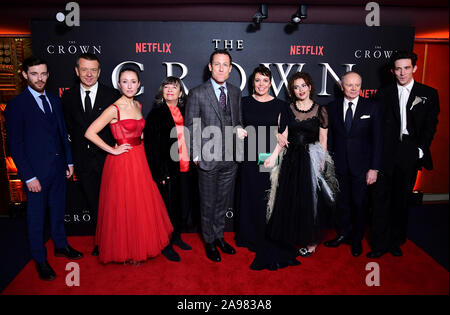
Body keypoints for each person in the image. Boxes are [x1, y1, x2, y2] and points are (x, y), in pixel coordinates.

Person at [5, 56, 83, 281]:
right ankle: (39, 259)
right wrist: (28, 176)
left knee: (58, 212)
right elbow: (15, 145)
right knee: (36, 218)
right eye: (34, 74)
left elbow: (62, 133)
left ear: (48, 75)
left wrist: (69, 161)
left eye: (43, 74)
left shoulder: (53, 100)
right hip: (36, 174)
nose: (39, 78)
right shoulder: (16, 106)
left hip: (59, 168)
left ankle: (60, 245)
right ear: (24, 75)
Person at [84, 67, 173, 264]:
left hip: (140, 158)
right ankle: (126, 249)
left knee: (140, 205)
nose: (129, 85)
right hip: (122, 162)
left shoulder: (138, 105)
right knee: (124, 206)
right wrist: (112, 149)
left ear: (139, 84)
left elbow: (140, 133)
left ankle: (138, 245)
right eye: (125, 81)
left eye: (133, 81)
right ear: (119, 84)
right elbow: (90, 132)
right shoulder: (113, 108)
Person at [367, 51, 440, 258]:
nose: (402, 73)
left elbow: (430, 126)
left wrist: (419, 151)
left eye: (406, 68)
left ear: (414, 68)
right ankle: (379, 244)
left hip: (409, 151)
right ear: (392, 71)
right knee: (380, 199)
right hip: (386, 152)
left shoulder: (429, 94)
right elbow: (377, 126)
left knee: (401, 200)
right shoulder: (384, 93)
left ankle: (395, 241)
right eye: (398, 69)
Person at [264, 72, 335, 259]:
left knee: (310, 202)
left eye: (304, 85)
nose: (301, 90)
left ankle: (311, 242)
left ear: (310, 87)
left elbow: (323, 139)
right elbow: (283, 137)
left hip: (311, 159)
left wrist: (321, 162)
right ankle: (291, 235)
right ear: (292, 91)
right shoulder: (288, 109)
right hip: (292, 159)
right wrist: (272, 157)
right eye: (296, 87)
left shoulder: (321, 110)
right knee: (290, 199)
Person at [235, 65, 300, 270]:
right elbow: (235, 123)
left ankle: (266, 235)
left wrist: (273, 157)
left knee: (267, 197)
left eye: (265, 80)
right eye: (257, 80)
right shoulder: (243, 102)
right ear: (252, 83)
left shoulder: (281, 105)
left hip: (268, 157)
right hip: (248, 155)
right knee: (250, 195)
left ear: (271, 82)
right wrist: (237, 130)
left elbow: (285, 133)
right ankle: (250, 236)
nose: (261, 84)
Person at [184, 49, 247, 263]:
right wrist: (195, 155)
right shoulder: (197, 93)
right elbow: (191, 127)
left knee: (222, 202)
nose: (221, 68)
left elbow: (237, 121)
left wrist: (239, 129)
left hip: (231, 158)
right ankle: (209, 241)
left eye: (225, 65)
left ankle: (219, 237)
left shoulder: (236, 91)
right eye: (217, 64)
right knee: (208, 203)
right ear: (210, 67)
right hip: (207, 158)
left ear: (230, 69)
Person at [61, 53, 120, 256]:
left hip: (108, 160)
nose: (88, 74)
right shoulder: (67, 97)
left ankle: (116, 239)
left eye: (93, 70)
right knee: (93, 203)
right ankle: (100, 240)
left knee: (112, 203)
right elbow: (67, 131)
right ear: (77, 71)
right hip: (83, 162)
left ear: (99, 72)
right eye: (84, 69)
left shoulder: (112, 95)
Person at [324, 71, 383, 257]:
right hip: (339, 165)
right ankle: (343, 234)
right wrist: (329, 164)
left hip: (362, 167)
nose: (353, 88)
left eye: (357, 84)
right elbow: (329, 139)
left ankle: (356, 239)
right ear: (342, 86)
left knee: (359, 203)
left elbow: (378, 140)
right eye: (349, 85)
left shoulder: (372, 107)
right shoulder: (331, 108)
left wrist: (374, 168)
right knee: (341, 203)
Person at [144, 76, 193, 262]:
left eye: (174, 87)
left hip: (186, 166)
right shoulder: (156, 114)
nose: (170, 90)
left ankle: (177, 236)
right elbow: (152, 146)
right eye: (166, 87)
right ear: (162, 91)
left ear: (180, 93)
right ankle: (166, 244)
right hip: (167, 169)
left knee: (183, 205)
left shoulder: (186, 110)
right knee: (168, 207)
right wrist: (160, 171)